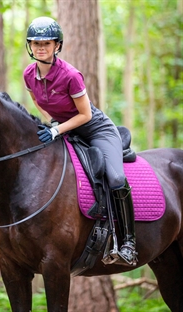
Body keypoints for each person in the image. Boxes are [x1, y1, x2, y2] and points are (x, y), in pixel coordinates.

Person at [23, 16, 137, 266]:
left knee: (116, 178)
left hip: (96, 130)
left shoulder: (71, 75)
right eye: (36, 43)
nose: (41, 48)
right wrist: (55, 125)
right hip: (67, 130)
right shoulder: (28, 75)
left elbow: (85, 115)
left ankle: (128, 242)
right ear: (29, 46)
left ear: (57, 46)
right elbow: (39, 104)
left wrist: (56, 130)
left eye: (47, 43)